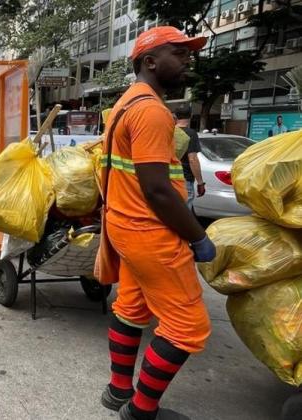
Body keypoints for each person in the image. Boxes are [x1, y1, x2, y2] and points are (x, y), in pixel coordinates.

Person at [97, 27, 216, 420]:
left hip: (124, 226)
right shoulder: (151, 111)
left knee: (131, 307)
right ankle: (141, 410)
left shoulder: (125, 106)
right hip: (148, 231)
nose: (187, 61)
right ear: (150, 62)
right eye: (178, 54)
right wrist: (198, 236)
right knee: (188, 326)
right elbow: (158, 190)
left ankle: (118, 390)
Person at [174, 104, 205, 211]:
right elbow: (192, 159)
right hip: (184, 179)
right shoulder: (191, 133)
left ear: (175, 116)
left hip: (167, 178)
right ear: (190, 116)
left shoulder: (169, 132)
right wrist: (200, 183)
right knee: (183, 213)